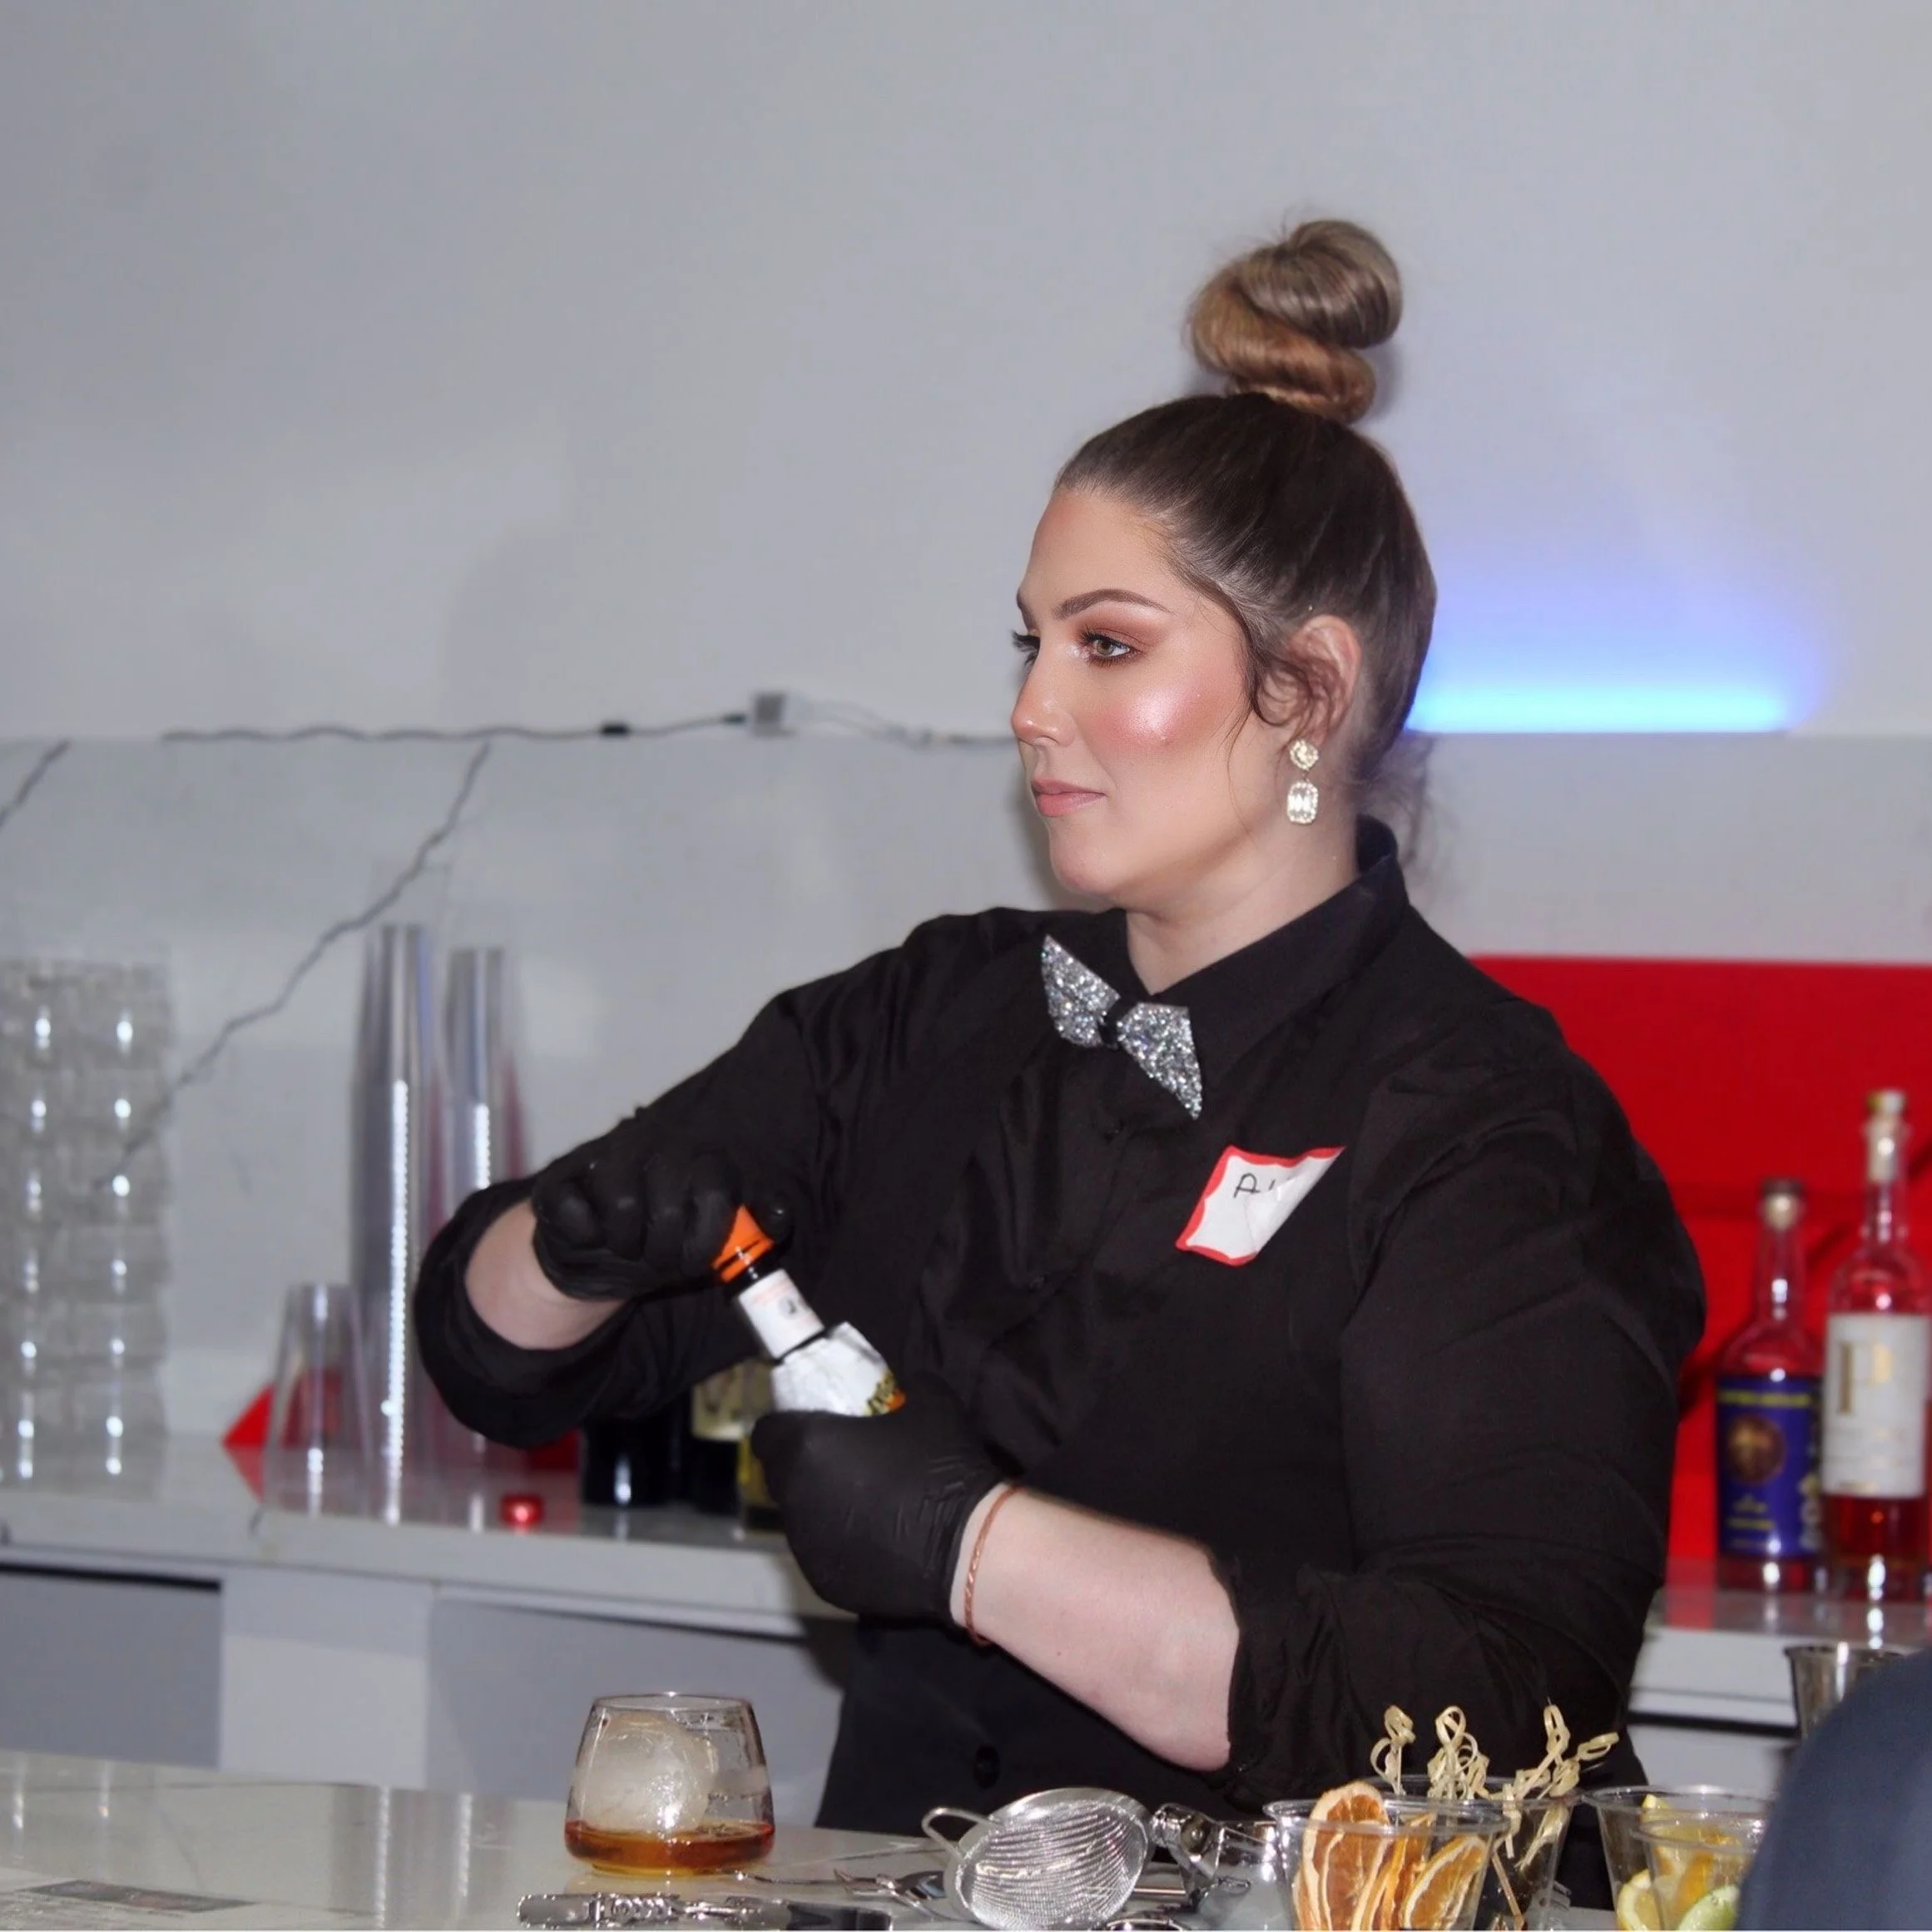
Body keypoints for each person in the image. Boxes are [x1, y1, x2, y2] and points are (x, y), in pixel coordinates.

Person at [416, 220, 1703, 1851]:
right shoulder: (940, 1009)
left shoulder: (1485, 1128)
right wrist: (568, 1246)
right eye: (1031, 642)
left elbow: (1507, 1710)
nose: (1033, 705)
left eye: (1107, 646)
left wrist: (981, 1550)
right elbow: (495, 1366)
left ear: (1307, 693)